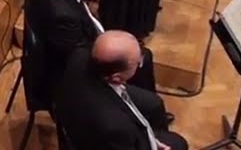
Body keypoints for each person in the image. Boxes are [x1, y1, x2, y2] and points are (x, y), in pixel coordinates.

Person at [26, 0, 157, 94]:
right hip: (69, 69)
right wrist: (119, 49)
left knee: (140, 53)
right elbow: (80, 57)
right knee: (142, 58)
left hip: (79, 40)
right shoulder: (64, 16)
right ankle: (140, 103)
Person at [55, 30, 188, 150]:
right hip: (98, 134)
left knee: (154, 103)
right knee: (178, 143)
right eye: (138, 63)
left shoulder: (79, 56)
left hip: (84, 112)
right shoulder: (117, 128)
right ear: (117, 78)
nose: (141, 63)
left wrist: (152, 140)